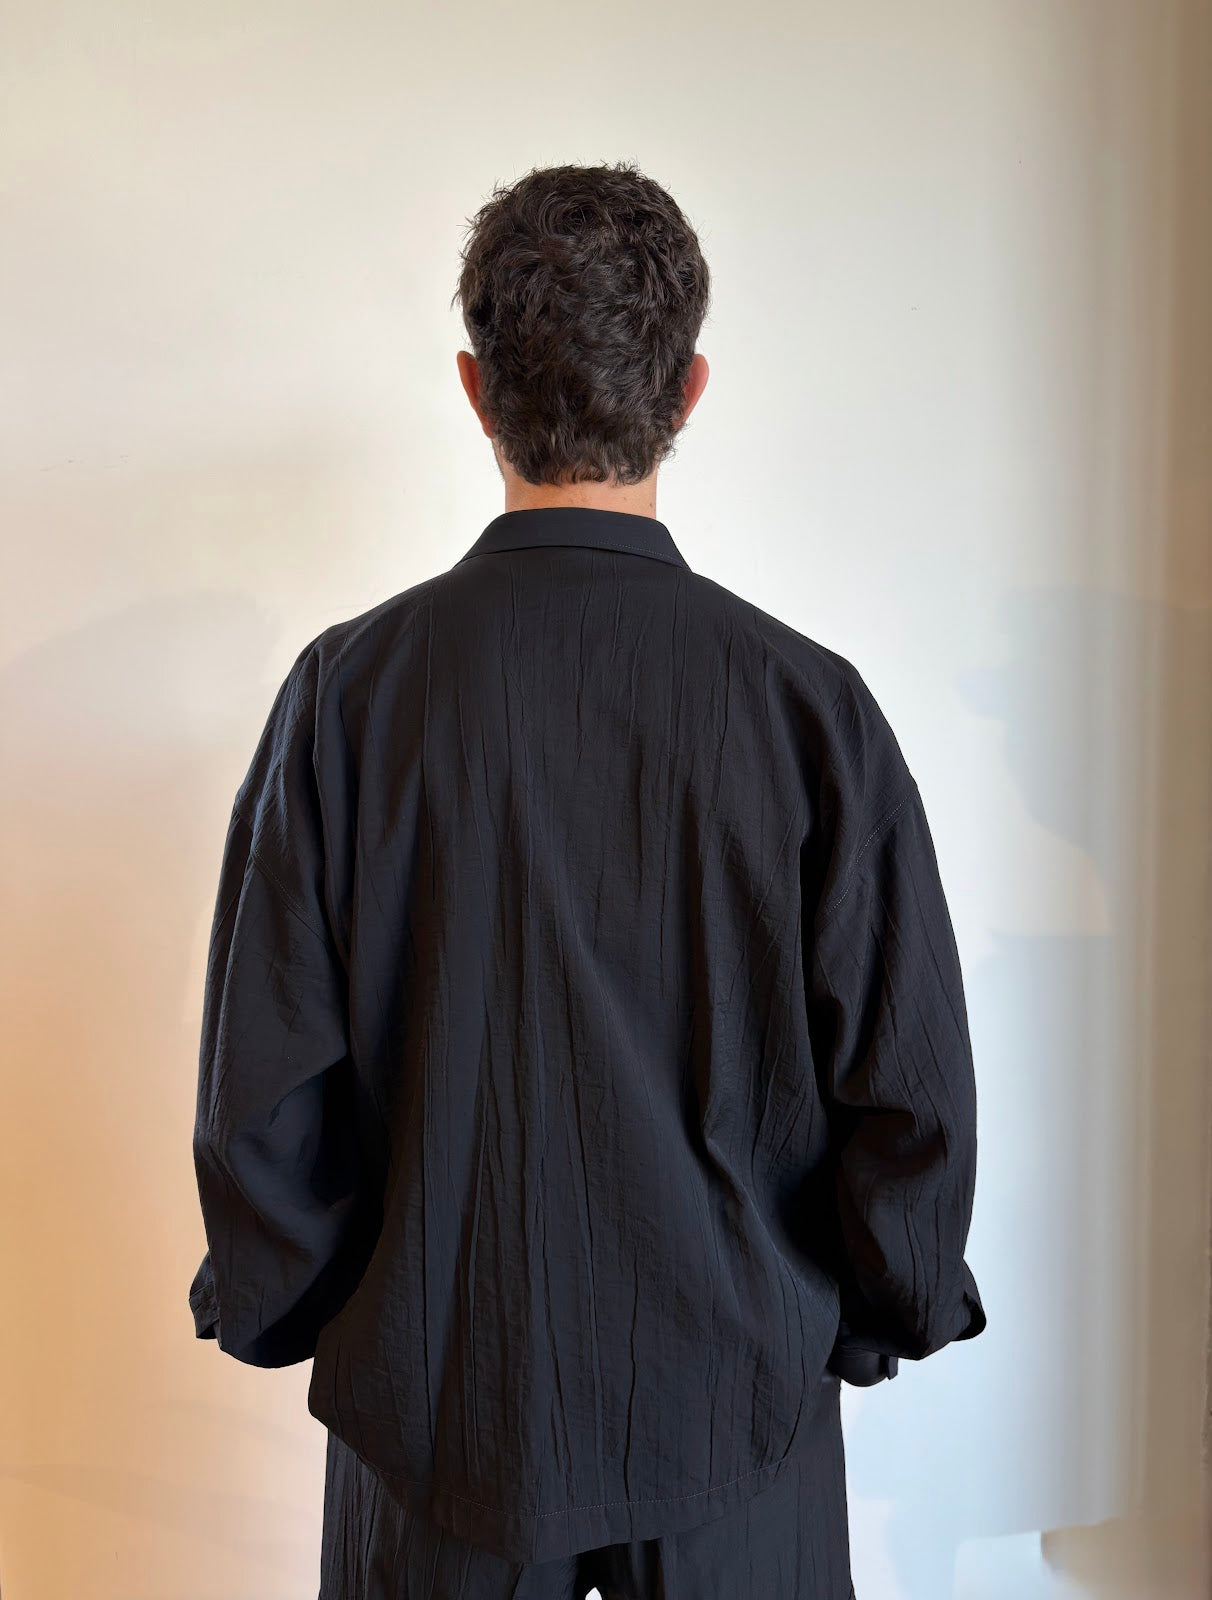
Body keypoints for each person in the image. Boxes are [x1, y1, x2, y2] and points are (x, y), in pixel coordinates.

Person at [187, 159, 987, 1600]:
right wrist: (871, 1308)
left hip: (436, 1425)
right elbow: (910, 1090)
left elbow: (263, 1096)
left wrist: (309, 1308)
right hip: (741, 1424)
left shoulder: (348, 699)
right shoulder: (808, 710)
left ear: (475, 391)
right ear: (688, 392)